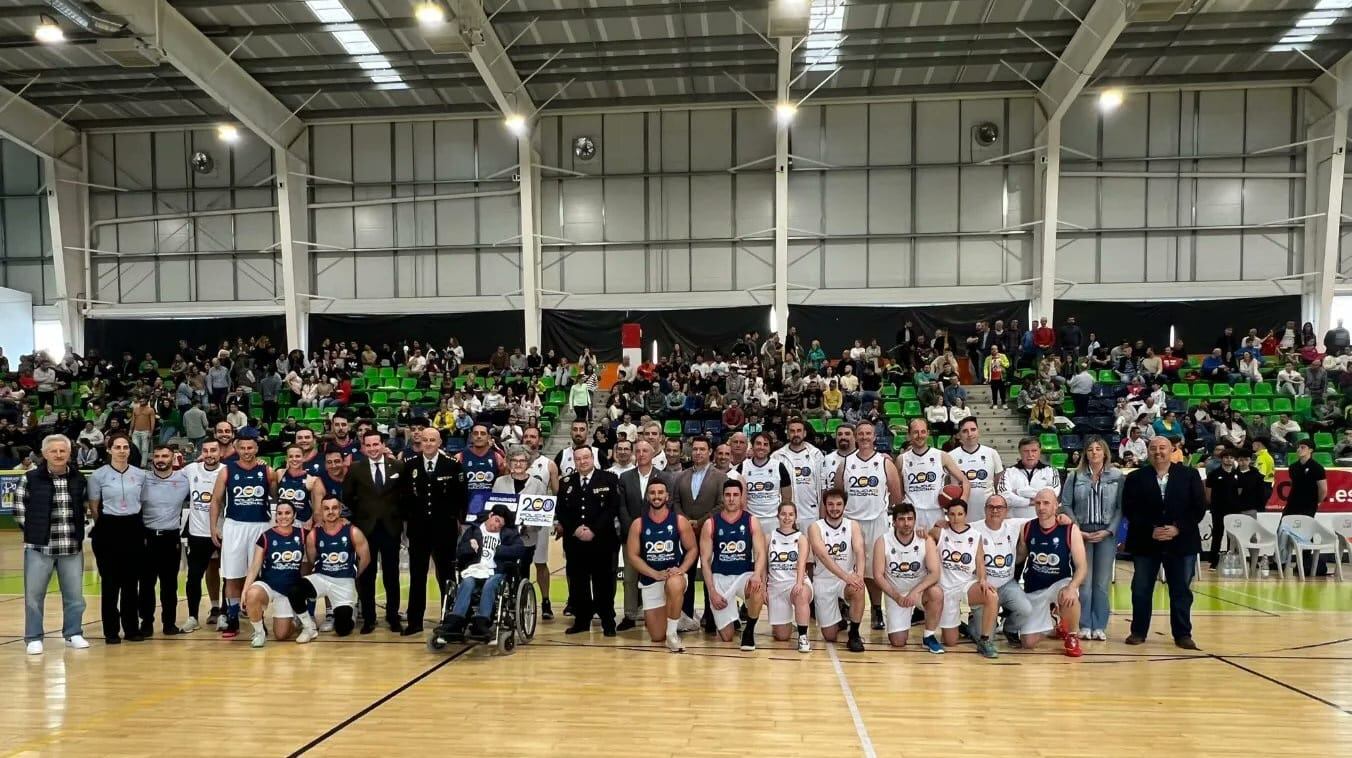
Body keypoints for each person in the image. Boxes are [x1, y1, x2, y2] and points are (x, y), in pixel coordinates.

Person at [1122, 436, 1205, 649]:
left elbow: (1198, 508)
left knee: (1180, 590)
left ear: (1172, 450)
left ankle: (1183, 634)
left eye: (1162, 448)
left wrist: (1177, 527)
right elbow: (1130, 510)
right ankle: (1138, 631)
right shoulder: (1135, 478)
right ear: (1147, 451)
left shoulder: (1189, 475)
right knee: (1141, 588)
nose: (1158, 452)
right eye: (1153, 448)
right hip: (1146, 541)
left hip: (1181, 542)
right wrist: (1151, 529)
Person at [17, 434, 91, 654]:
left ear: (69, 453)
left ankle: (73, 633)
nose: (58, 455)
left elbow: (85, 508)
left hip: (71, 548)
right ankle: (33, 637)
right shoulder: (29, 478)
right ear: (44, 453)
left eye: (63, 451)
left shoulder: (79, 479)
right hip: (39, 549)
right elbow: (20, 510)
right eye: (53, 451)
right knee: (34, 596)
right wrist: (34, 535)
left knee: (75, 596)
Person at [834, 422, 902, 631]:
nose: (864, 437)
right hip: (850, 523)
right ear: (855, 437)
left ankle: (875, 609)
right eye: (860, 434)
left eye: (868, 434)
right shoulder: (845, 464)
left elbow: (897, 498)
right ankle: (844, 607)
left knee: (874, 571)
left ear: (874, 437)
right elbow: (837, 495)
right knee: (847, 568)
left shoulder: (884, 463)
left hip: (877, 522)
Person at [208, 429, 274, 639]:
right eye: (243, 448)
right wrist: (213, 528)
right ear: (236, 448)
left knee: (259, 576)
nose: (247, 452)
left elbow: (277, 496)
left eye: (250, 448)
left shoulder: (267, 471)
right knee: (233, 575)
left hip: (260, 526)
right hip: (235, 525)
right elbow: (216, 501)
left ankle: (259, 618)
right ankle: (233, 618)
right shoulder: (227, 470)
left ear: (256, 448)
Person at [405, 427, 469, 635]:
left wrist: (457, 520)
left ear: (440, 442)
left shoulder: (452, 466)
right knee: (417, 576)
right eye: (425, 440)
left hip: (445, 530)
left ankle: (450, 618)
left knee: (447, 576)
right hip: (418, 530)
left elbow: (462, 497)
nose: (429, 444)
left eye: (433, 440)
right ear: (420, 442)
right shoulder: (410, 466)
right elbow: (403, 497)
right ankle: (415, 621)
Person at [1057, 435, 1122, 641]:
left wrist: (1109, 530)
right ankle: (1084, 624)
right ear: (1085, 453)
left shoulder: (1118, 476)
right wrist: (1077, 528)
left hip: (1106, 533)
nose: (1094, 452)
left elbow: (1121, 508)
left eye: (1098, 449)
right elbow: (1066, 504)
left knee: (1102, 583)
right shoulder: (1074, 476)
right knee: (1083, 580)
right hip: (1081, 532)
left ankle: (1099, 625)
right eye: (1090, 449)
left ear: (1105, 452)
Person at [343, 429, 407, 634]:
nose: (372, 449)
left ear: (382, 445)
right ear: (363, 447)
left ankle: (392, 616)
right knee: (366, 576)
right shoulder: (355, 469)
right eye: (368, 445)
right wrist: (362, 518)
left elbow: (404, 495)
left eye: (375, 444)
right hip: (365, 531)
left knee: (391, 575)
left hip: (390, 529)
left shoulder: (398, 466)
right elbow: (348, 497)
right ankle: (369, 618)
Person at [437, 503, 530, 642]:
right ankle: (455, 622)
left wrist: (500, 550)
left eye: (501, 525)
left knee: (490, 584)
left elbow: (520, 550)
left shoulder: (508, 534)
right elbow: (459, 552)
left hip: (495, 571)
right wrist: (469, 546)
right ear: (490, 515)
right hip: (475, 569)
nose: (497, 526)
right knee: (467, 583)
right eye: (497, 521)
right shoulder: (473, 531)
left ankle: (481, 622)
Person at [88, 433, 148, 643]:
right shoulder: (98, 475)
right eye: (118, 447)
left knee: (132, 583)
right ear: (109, 449)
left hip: (133, 528)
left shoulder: (140, 475)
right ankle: (111, 631)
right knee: (111, 583)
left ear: (130, 450)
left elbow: (143, 501)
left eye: (125, 447)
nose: (122, 451)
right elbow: (94, 506)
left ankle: (131, 628)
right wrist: (105, 526)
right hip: (109, 529)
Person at [1013, 488, 1087, 657]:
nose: (1041, 507)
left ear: (1056, 506)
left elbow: (1082, 567)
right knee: (1028, 643)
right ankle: (1055, 623)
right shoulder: (1026, 528)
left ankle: (1072, 635)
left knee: (1069, 595)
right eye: (1038, 503)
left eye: (1046, 503)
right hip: (1034, 587)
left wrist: (1072, 587)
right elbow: (1020, 558)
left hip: (1059, 582)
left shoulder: (1070, 529)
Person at [556, 447, 623, 635]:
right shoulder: (565, 482)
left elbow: (612, 508)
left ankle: (607, 621)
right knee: (578, 583)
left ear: (593, 458)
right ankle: (581, 620)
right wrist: (575, 529)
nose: (582, 462)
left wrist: (594, 530)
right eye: (578, 459)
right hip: (575, 542)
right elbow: (561, 511)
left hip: (602, 541)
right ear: (574, 461)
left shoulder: (609, 479)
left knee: (604, 583)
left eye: (586, 458)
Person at [625, 479, 698, 653]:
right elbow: (633, 556)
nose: (656, 496)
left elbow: (693, 549)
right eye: (652, 493)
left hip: (673, 576)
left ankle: (672, 634)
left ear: (667, 496)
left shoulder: (679, 521)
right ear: (647, 497)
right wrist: (654, 573)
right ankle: (678, 616)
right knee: (657, 636)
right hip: (651, 578)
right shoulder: (638, 524)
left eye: (660, 492)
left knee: (674, 583)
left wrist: (682, 569)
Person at [291, 497, 370, 642]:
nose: (331, 512)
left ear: (340, 510)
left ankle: (350, 611)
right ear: (321, 512)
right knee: (295, 589)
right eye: (326, 508)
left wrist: (353, 575)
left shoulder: (353, 531)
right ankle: (309, 628)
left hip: (343, 582)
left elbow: (366, 558)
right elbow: (312, 560)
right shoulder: (314, 535)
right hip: (322, 577)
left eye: (334, 508)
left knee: (343, 629)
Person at [701, 479, 767, 651]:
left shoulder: (751, 521)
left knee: (757, 589)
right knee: (727, 637)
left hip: (744, 575)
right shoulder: (711, 523)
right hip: (720, 577)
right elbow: (705, 561)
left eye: (735, 495)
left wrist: (757, 574)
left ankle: (749, 631)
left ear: (741, 498)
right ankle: (733, 616)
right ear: (723, 497)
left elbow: (760, 553)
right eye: (728, 495)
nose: (731, 499)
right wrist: (712, 591)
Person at [931, 498, 999, 658]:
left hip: (966, 585)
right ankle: (961, 626)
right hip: (945, 589)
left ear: (966, 515)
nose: (956, 518)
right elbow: (922, 538)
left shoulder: (975, 535)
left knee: (991, 595)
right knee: (950, 641)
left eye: (960, 514)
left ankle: (985, 640)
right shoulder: (939, 532)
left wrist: (982, 579)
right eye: (952, 514)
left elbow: (980, 562)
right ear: (947, 515)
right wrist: (934, 526)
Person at [872, 502, 944, 653]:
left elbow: (935, 573)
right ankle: (903, 619)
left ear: (915, 520)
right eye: (902, 519)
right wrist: (896, 596)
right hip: (895, 593)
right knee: (898, 642)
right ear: (894, 522)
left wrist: (915, 592)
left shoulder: (926, 540)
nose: (906, 523)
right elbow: (878, 576)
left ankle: (928, 636)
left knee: (936, 592)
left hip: (918, 592)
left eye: (910, 519)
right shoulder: (882, 541)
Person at [617, 441, 674, 631]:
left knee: (660, 575)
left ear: (653, 454)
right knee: (630, 578)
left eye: (645, 451)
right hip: (631, 536)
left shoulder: (664, 476)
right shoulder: (625, 477)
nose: (641, 454)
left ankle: (663, 612)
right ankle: (630, 614)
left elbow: (668, 505)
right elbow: (622, 507)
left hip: (658, 537)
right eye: (638, 451)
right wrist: (631, 529)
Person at [673, 436, 727, 631]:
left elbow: (722, 504)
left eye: (702, 449)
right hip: (685, 533)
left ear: (709, 452)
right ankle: (686, 615)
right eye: (695, 449)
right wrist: (685, 522)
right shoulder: (681, 476)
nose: (698, 453)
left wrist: (701, 522)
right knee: (685, 574)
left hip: (709, 532)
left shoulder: (721, 477)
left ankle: (711, 617)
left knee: (709, 575)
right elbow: (676, 502)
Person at [139, 444, 190, 637]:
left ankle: (169, 624)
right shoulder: (142, 479)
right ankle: (146, 623)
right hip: (147, 537)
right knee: (145, 584)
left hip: (171, 538)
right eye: (157, 456)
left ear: (173, 458)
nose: (160, 459)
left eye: (165, 456)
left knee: (170, 585)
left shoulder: (183, 479)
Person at [240, 501, 307, 648]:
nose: (283, 516)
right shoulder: (266, 536)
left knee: (281, 635)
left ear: (294, 515)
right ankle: (259, 633)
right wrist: (245, 590)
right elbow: (254, 567)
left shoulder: (302, 534)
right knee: (252, 594)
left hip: (288, 591)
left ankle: (295, 620)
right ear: (276, 516)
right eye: (280, 513)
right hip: (269, 585)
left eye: (287, 513)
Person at [808, 488, 868, 652]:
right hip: (824, 580)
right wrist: (846, 576)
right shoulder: (815, 527)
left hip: (845, 580)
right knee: (830, 636)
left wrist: (859, 576)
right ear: (825, 506)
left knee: (858, 589)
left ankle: (854, 634)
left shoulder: (852, 525)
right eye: (830, 504)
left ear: (844, 506)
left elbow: (859, 550)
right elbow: (823, 556)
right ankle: (841, 617)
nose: (835, 508)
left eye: (839, 504)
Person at [180, 439, 224, 633]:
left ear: (220, 452)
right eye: (205, 451)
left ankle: (225, 614)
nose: (209, 454)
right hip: (197, 533)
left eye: (213, 450)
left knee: (229, 576)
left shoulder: (227, 471)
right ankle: (192, 617)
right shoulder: (191, 469)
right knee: (194, 577)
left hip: (224, 532)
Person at [897, 418, 969, 531]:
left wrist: (962, 502)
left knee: (936, 548)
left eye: (923, 431)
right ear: (909, 435)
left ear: (928, 433)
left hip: (936, 514)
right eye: (915, 432)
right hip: (912, 516)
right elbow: (899, 492)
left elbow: (964, 481)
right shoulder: (901, 459)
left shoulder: (941, 456)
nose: (919, 435)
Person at [522, 425, 560, 619]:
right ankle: (519, 600)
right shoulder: (514, 461)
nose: (529, 439)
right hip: (517, 522)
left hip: (539, 520)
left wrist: (557, 519)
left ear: (540, 440)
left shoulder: (548, 464)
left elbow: (557, 494)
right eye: (526, 436)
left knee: (540, 563)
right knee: (518, 563)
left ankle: (545, 601)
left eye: (533, 436)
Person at [765, 502, 813, 653]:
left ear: (796, 517)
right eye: (783, 514)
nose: (787, 518)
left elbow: (802, 563)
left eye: (791, 514)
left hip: (795, 582)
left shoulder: (801, 538)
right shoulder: (768, 537)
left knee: (801, 594)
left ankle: (803, 636)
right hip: (775, 585)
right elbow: (763, 565)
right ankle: (790, 624)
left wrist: (799, 582)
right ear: (777, 516)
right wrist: (764, 587)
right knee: (781, 636)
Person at [734, 432, 794, 536]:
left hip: (773, 520)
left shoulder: (779, 467)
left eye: (765, 444)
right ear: (752, 446)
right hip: (751, 519)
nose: (761, 447)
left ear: (770, 448)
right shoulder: (743, 467)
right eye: (758, 443)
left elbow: (787, 498)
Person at [773, 418, 824, 533]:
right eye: (792, 431)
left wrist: (822, 514)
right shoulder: (777, 456)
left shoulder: (816, 454)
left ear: (804, 433)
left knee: (811, 550)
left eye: (799, 431)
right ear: (787, 434)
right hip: (786, 516)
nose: (796, 434)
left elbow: (822, 487)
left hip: (811, 514)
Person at [999, 436, 1061, 519]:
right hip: (1015, 522)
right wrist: (1029, 501)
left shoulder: (1051, 471)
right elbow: (1004, 497)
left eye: (1034, 451)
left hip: (1042, 523)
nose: (1030, 454)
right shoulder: (1008, 472)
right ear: (1020, 452)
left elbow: (1053, 494)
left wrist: (1019, 491)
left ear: (1040, 451)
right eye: (1026, 451)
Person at [949, 416, 1004, 510]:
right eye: (965, 431)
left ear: (978, 431)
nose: (970, 434)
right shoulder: (950, 456)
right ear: (959, 435)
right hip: (961, 512)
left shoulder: (991, 453)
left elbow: (999, 483)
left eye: (973, 429)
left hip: (988, 510)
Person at [456, 423, 506, 523]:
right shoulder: (459, 457)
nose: (479, 436)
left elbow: (502, 485)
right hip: (465, 512)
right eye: (475, 433)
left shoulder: (497, 457)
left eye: (482, 433)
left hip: (490, 515)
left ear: (488, 437)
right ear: (471, 437)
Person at [1283, 439, 1326, 518]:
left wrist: (1316, 502)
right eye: (1298, 447)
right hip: (1292, 503)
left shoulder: (1317, 467)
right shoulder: (1293, 467)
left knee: (1303, 528)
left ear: (1310, 450)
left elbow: (1323, 490)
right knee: (1284, 528)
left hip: (1308, 505)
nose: (1299, 449)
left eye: (1302, 447)